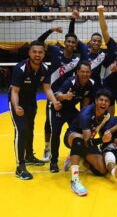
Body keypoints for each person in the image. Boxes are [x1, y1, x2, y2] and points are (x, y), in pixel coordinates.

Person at [38, 14, 88, 162]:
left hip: (68, 98)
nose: (71, 44)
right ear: (64, 42)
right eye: (69, 41)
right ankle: (47, 148)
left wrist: (73, 21)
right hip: (53, 95)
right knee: (49, 124)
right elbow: (39, 42)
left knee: (75, 124)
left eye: (73, 42)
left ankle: (74, 151)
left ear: (75, 44)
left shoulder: (77, 61)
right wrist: (51, 29)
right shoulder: (54, 51)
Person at [9, 40, 61, 180]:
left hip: (31, 102)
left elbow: (47, 88)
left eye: (40, 52)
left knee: (30, 128)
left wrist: (55, 101)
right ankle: (20, 167)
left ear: (44, 54)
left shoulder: (44, 68)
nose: (37, 54)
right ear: (29, 53)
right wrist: (16, 106)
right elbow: (14, 91)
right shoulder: (20, 69)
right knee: (21, 130)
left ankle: (29, 156)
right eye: (34, 52)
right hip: (17, 101)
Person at [63, 89, 117, 196]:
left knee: (102, 171)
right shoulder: (86, 114)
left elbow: (103, 133)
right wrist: (101, 140)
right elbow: (87, 142)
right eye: (101, 100)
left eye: (106, 101)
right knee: (79, 141)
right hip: (72, 137)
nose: (103, 103)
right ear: (96, 101)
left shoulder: (106, 115)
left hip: (89, 140)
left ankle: (83, 160)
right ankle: (75, 180)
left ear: (109, 104)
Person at [49, 61, 95, 173]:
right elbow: (57, 95)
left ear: (91, 72)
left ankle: (73, 155)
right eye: (82, 72)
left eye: (87, 72)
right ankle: (53, 161)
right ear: (77, 72)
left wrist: (84, 118)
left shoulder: (91, 83)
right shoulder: (70, 82)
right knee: (56, 133)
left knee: (80, 132)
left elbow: (86, 102)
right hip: (58, 108)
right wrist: (65, 96)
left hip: (71, 110)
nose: (85, 74)